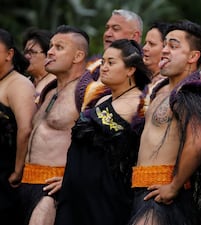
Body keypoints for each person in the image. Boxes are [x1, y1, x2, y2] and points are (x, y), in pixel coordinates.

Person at [128, 20, 201, 225]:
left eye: (174, 46)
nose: (165, 50)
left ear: (193, 56)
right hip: (143, 190)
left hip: (164, 195)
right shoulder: (161, 89)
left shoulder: (192, 92)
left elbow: (199, 141)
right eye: (165, 44)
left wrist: (173, 187)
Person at [55, 39, 151, 225]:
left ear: (131, 69)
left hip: (106, 198)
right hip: (74, 194)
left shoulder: (139, 104)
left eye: (111, 63)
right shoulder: (102, 99)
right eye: (103, 62)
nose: (103, 68)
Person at [19, 25, 89, 225]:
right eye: (50, 46)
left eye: (59, 47)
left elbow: (98, 145)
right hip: (28, 181)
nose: (50, 52)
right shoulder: (49, 90)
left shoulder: (89, 91)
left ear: (77, 56)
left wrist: (71, 177)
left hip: (53, 187)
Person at [0, 28, 36, 225]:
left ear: (9, 54)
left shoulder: (19, 84)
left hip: (6, 174)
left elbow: (25, 129)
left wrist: (17, 170)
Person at [78, 9, 143, 112]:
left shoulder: (144, 69)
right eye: (107, 28)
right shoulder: (94, 62)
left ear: (134, 36)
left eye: (116, 29)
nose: (108, 33)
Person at [22, 28, 56, 103]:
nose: (27, 56)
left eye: (32, 52)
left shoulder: (57, 84)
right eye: (25, 52)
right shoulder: (24, 82)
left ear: (48, 54)